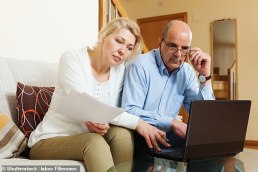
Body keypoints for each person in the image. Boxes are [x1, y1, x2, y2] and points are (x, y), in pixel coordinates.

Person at [28, 17, 169, 172]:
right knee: (94, 142)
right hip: (50, 139)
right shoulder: (72, 58)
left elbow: (108, 111)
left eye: (129, 47)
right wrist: (139, 123)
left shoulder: (119, 70)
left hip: (85, 135)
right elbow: (85, 104)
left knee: (122, 135)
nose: (122, 51)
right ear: (103, 36)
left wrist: (102, 122)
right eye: (118, 41)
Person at [121, 20, 215, 156]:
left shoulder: (187, 72)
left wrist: (205, 76)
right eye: (172, 46)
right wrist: (173, 123)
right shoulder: (140, 65)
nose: (178, 54)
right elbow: (129, 110)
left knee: (210, 146)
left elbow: (203, 117)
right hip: (140, 133)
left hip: (166, 134)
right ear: (160, 44)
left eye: (184, 49)